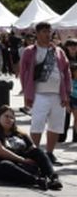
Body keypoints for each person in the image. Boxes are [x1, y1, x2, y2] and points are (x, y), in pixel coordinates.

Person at [18, 21, 71, 165]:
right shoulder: (30, 51)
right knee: (37, 124)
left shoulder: (58, 51)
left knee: (56, 125)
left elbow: (66, 72)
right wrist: (27, 94)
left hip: (57, 94)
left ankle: (50, 153)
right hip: (39, 93)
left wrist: (66, 93)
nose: (48, 34)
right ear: (37, 33)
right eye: (44, 32)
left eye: (49, 32)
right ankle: (35, 153)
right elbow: (23, 73)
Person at [0, 105, 61, 190]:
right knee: (5, 164)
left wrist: (35, 158)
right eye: (6, 116)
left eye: (12, 118)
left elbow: (32, 148)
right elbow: (1, 151)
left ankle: (53, 178)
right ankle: (37, 181)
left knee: (38, 151)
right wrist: (22, 160)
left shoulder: (20, 133)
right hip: (0, 165)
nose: (9, 119)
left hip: (23, 164)